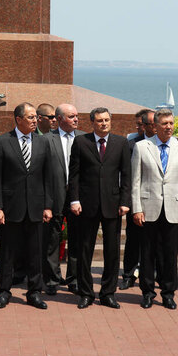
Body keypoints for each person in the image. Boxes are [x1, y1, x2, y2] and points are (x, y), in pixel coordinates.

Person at [0, 102, 53, 310]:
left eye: (36, 117)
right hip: (11, 208)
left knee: (35, 252)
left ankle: (34, 292)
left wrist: (48, 206)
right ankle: (4, 291)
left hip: (36, 207)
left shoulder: (43, 143)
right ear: (18, 119)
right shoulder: (2, 142)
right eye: (31, 117)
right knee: (8, 251)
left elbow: (48, 177)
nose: (35, 120)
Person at [69, 107, 131, 309]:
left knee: (112, 252)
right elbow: (74, 175)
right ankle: (85, 293)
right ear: (92, 123)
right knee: (84, 249)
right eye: (100, 120)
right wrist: (74, 200)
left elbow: (126, 175)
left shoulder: (121, 143)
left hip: (112, 205)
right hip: (87, 205)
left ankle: (107, 293)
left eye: (107, 120)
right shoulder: (81, 142)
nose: (104, 123)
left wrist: (124, 202)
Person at [131, 109, 178, 310]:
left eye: (171, 123)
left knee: (169, 254)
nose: (169, 127)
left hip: (173, 209)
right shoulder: (142, 147)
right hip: (148, 208)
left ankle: (168, 293)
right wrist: (136, 208)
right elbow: (135, 181)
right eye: (164, 123)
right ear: (155, 126)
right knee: (147, 253)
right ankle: (147, 293)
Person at [43, 104, 85, 296]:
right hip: (54, 196)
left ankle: (74, 279)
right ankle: (52, 279)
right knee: (52, 239)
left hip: (78, 197)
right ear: (59, 119)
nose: (76, 119)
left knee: (77, 239)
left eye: (77, 116)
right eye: (71, 116)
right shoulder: (46, 140)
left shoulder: (84, 138)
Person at [120, 109, 155, 290]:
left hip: (159, 201)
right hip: (137, 200)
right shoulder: (132, 144)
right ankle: (129, 275)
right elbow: (126, 175)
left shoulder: (166, 144)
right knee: (133, 240)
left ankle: (153, 273)